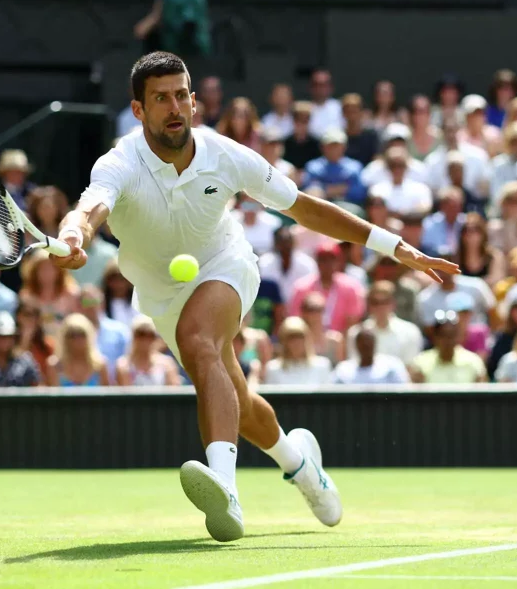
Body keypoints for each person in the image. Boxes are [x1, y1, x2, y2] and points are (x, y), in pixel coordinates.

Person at [51, 52, 458, 541]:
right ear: (139, 111)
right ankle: (303, 465)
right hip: (162, 295)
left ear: (195, 101)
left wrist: (394, 246)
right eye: (160, 99)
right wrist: (75, 235)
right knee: (238, 402)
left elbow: (304, 209)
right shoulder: (119, 163)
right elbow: (90, 208)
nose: (175, 106)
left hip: (226, 266)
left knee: (199, 340)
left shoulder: (225, 155)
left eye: (182, 94)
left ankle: (225, 489)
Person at [345, 281, 422, 365]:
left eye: (385, 302)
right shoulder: (355, 332)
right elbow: (355, 365)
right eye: (375, 302)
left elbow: (411, 366)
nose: (380, 307)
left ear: (393, 303)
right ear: (369, 305)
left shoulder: (410, 331)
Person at [410, 310, 487, 383]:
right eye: (443, 335)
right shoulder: (420, 363)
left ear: (458, 336)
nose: (448, 341)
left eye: (452, 335)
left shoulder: (474, 362)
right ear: (435, 337)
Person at [258, 317, 333, 385]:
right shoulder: (273, 368)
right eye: (291, 338)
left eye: (300, 337)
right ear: (284, 341)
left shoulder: (322, 365)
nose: (296, 342)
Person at [115, 315, 183, 385]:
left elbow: (173, 391)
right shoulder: (124, 366)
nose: (145, 340)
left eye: (150, 335)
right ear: (133, 337)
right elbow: (127, 393)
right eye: (141, 334)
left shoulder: (167, 364)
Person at [332, 326, 410, 385]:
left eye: (368, 343)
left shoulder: (392, 366)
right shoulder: (343, 370)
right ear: (356, 345)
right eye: (362, 344)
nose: (366, 346)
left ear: (374, 343)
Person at [50, 313, 110, 386]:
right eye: (72, 335)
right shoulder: (55, 366)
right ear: (64, 338)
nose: (77, 339)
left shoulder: (100, 365)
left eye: (81, 334)